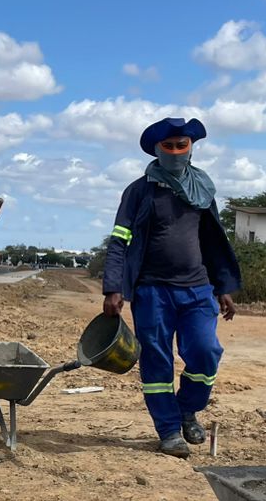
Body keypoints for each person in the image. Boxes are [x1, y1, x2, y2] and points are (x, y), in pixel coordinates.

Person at [100, 116, 241, 457]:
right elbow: (120, 241)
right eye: (169, 146)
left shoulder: (202, 190)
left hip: (197, 290)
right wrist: (113, 287)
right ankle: (168, 431)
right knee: (157, 364)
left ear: (191, 147)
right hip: (152, 292)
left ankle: (187, 410)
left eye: (182, 145)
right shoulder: (139, 191)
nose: (177, 152)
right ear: (157, 149)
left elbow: (213, 241)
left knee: (206, 352)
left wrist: (223, 286)